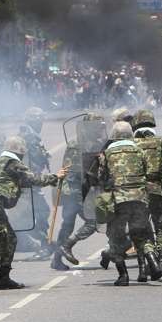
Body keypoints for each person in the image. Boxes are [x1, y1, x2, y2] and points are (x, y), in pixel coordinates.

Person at [0, 136, 67, 289]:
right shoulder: (14, 164)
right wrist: (56, 177)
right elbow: (33, 179)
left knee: (1, 244)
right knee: (9, 241)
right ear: (20, 152)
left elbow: (18, 183)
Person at [98, 121, 159, 286]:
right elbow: (148, 170)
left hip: (118, 200)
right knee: (142, 234)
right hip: (140, 198)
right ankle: (153, 260)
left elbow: (101, 177)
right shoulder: (139, 150)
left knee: (115, 237)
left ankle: (123, 276)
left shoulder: (108, 153)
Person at [50, 113, 105, 271]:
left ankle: (57, 259)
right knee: (93, 221)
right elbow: (79, 171)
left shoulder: (82, 142)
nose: (99, 130)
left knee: (67, 225)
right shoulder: (86, 145)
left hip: (73, 191)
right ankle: (66, 247)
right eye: (97, 127)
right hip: (78, 191)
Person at [132, 109, 162, 280]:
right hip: (156, 191)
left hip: (137, 193)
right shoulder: (160, 142)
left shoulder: (131, 143)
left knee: (140, 230)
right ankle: (160, 263)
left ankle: (143, 269)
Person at [18, 107, 54, 258]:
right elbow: (35, 159)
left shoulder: (31, 136)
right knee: (39, 212)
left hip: (31, 181)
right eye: (39, 119)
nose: (41, 123)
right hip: (30, 182)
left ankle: (38, 244)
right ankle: (46, 246)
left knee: (37, 212)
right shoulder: (30, 137)